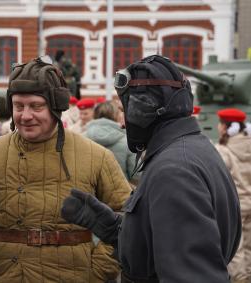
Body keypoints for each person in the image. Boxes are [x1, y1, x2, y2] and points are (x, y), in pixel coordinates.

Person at [61, 55, 241, 283]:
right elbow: (164, 248)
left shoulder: (173, 172)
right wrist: (115, 230)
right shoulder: (192, 149)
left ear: (143, 110)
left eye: (126, 109)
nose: (124, 122)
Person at [0, 56, 131, 282]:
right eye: (18, 106)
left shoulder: (96, 156)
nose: (26, 115)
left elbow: (127, 219)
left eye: (36, 106)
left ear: (56, 107)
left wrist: (98, 271)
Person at [215, 108, 251, 283]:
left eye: (220, 124)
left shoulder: (223, 150)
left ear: (225, 126)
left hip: (237, 204)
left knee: (237, 248)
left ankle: (240, 279)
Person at [85, 101, 136, 181]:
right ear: (116, 116)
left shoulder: (82, 137)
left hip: (87, 190)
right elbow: (136, 175)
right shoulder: (127, 141)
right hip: (120, 190)